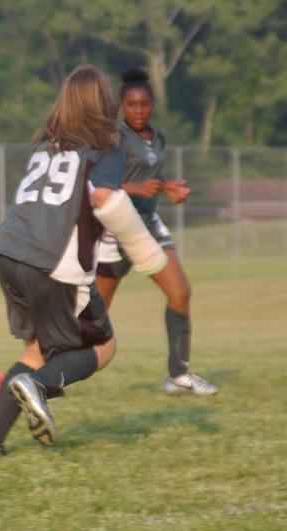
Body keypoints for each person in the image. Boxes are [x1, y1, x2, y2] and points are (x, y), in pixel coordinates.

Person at [0, 65, 169, 459]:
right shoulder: (106, 144)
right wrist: (147, 252)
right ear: (105, 102)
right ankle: (39, 387)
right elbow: (106, 199)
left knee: (36, 352)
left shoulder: (46, 143)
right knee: (103, 346)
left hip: (8, 251)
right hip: (53, 260)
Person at [95, 68, 217, 396]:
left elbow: (147, 180)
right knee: (93, 316)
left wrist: (166, 187)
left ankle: (179, 375)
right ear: (121, 106)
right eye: (131, 104)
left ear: (152, 105)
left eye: (144, 104)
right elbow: (96, 184)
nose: (138, 110)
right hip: (115, 229)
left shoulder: (158, 137)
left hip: (147, 225)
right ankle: (44, 370)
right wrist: (137, 188)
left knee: (180, 292)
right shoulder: (114, 138)